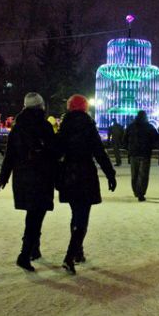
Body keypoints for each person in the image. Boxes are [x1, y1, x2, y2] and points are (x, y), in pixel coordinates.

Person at [0, 93, 56, 272]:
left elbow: (10, 156)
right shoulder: (44, 127)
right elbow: (53, 153)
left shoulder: (18, 128)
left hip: (22, 177)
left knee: (33, 214)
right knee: (35, 217)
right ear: (40, 107)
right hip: (41, 177)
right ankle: (25, 254)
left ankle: (33, 249)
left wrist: (2, 178)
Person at [56, 94, 116, 275]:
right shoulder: (89, 126)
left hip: (69, 174)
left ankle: (78, 252)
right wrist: (110, 174)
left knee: (76, 213)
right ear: (85, 107)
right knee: (82, 216)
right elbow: (99, 152)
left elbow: (56, 151)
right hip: (85, 174)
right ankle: (70, 255)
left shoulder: (64, 126)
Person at [124, 111, 158, 201]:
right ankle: (141, 193)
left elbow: (124, 139)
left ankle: (135, 191)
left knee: (134, 174)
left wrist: (129, 148)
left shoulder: (131, 127)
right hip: (145, 154)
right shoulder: (150, 127)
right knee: (144, 174)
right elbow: (156, 139)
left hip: (134, 154)